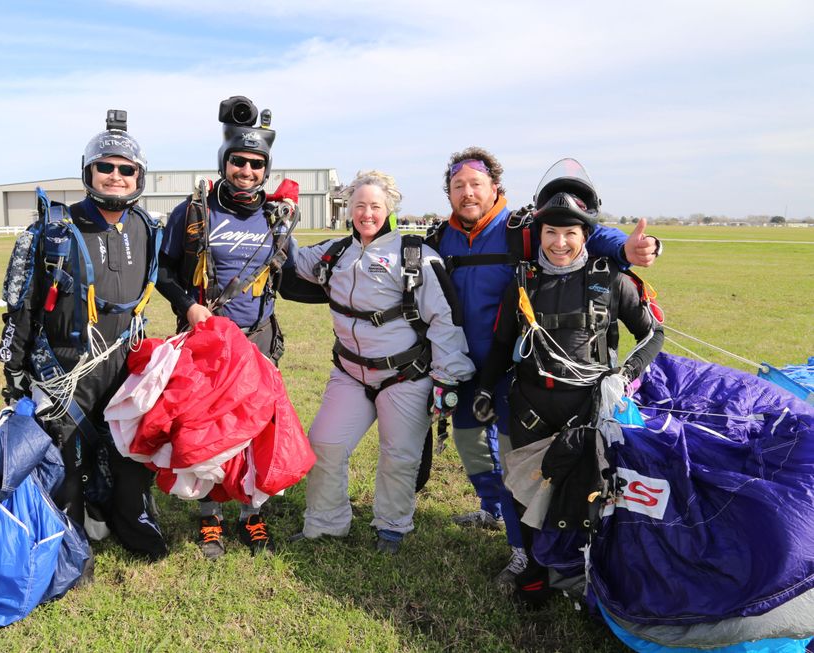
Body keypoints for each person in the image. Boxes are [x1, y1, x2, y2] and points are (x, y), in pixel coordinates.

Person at [427, 147, 661, 586]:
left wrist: (628, 248)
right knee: (470, 445)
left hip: (518, 370)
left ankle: (526, 551)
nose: (467, 192)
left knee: (523, 463)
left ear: (495, 187)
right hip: (465, 366)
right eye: (458, 185)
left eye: (476, 183)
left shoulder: (522, 228)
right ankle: (492, 510)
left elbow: (583, 230)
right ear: (449, 193)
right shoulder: (442, 237)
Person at [0, 110, 168, 566]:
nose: (115, 176)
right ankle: (69, 547)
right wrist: (15, 368)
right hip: (66, 367)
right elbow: (22, 304)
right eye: (105, 166)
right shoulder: (53, 230)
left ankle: (130, 524)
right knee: (66, 462)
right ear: (88, 172)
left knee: (130, 454)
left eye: (126, 169)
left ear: (139, 177)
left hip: (127, 361)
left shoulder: (148, 229)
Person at [287, 170, 475, 554]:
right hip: (350, 374)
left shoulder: (416, 257)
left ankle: (392, 527)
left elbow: (445, 318)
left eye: (375, 206)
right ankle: (325, 523)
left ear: (390, 207)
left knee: (399, 456)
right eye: (359, 206)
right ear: (348, 209)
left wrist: (447, 378)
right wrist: (275, 217)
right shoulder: (334, 252)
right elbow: (286, 257)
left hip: (405, 376)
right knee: (324, 442)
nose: (367, 214)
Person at [155, 95, 292, 558]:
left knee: (254, 429)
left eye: (256, 163)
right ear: (224, 162)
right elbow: (163, 272)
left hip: (257, 342)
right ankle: (210, 515)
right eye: (239, 161)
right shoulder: (194, 212)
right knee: (208, 428)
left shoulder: (274, 215)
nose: (246, 171)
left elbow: (293, 273)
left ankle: (251, 513)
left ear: (265, 169)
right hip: (206, 343)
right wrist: (188, 307)